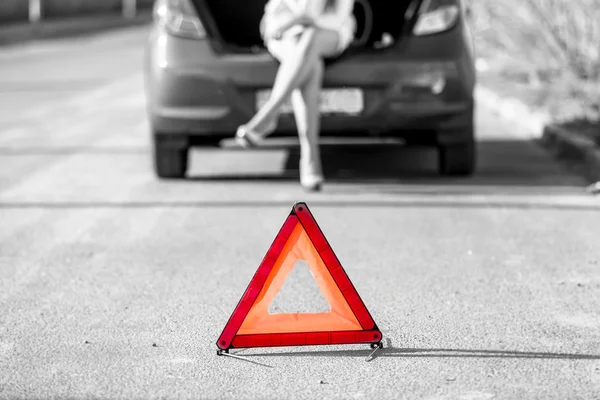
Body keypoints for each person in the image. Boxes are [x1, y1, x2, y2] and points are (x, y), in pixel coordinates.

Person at [234, 0, 357, 192]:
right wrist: (289, 26)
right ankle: (310, 159)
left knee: (310, 40)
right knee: (310, 65)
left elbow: (337, 18)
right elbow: (276, 11)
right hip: (286, 35)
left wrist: (298, 22)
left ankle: (269, 114)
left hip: (328, 31)